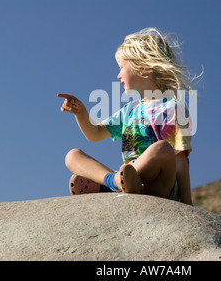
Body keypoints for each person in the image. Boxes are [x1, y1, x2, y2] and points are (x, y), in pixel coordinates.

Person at [57, 28, 198, 205]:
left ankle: (109, 186)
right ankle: (113, 182)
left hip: (161, 186)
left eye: (122, 67)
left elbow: (180, 160)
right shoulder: (129, 111)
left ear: (143, 68)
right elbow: (94, 134)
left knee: (162, 149)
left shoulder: (173, 109)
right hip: (130, 179)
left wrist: (187, 203)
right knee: (72, 155)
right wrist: (81, 113)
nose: (118, 75)